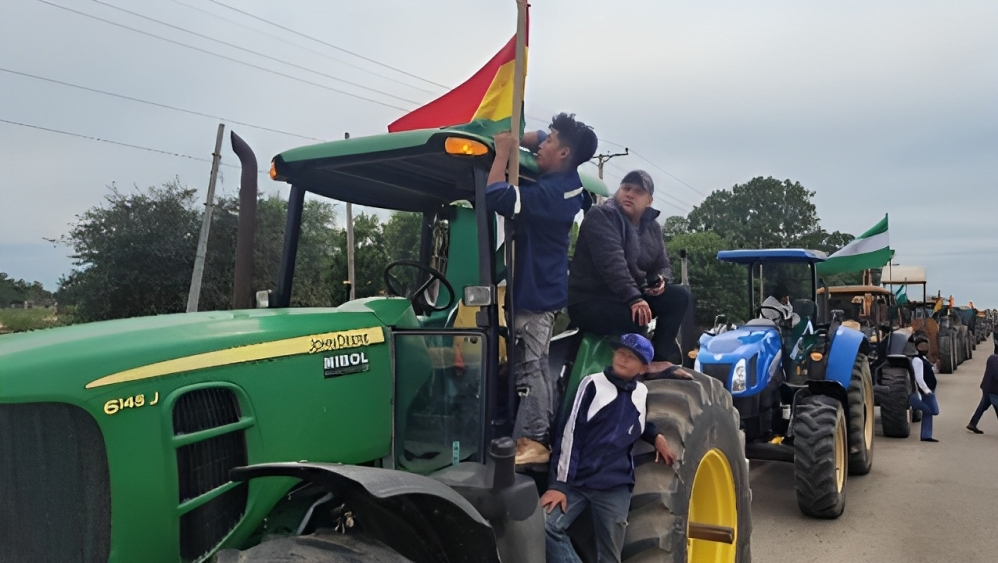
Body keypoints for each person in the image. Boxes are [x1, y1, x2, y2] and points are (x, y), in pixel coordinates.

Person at [486, 113, 599, 466]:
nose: (541, 144)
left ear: (564, 154)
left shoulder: (552, 194)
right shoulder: (568, 182)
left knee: (531, 370)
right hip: (530, 291)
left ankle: (534, 439)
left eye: (550, 141)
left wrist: (503, 152)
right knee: (520, 367)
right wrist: (527, 137)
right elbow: (542, 141)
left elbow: (494, 196)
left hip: (538, 294)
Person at [542, 333, 676, 563]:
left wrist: (656, 437)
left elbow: (637, 421)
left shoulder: (641, 392)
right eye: (620, 353)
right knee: (546, 527)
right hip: (577, 483)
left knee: (610, 555)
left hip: (615, 487)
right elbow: (570, 433)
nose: (623, 359)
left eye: (631, 357)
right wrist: (559, 485)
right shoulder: (592, 384)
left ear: (643, 368)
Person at [568, 170, 692, 376]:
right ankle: (630, 364)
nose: (630, 194)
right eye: (625, 188)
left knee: (679, 297)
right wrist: (635, 298)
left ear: (649, 200)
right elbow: (612, 264)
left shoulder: (652, 227)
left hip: (626, 297)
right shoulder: (601, 216)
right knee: (635, 316)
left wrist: (660, 280)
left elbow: (661, 264)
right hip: (591, 300)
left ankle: (659, 359)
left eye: (638, 191)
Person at [908, 334, 940, 442]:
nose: (925, 348)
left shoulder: (924, 359)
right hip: (925, 391)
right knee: (933, 411)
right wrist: (926, 390)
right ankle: (912, 402)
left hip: (929, 389)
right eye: (922, 346)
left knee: (929, 413)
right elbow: (918, 378)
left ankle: (926, 435)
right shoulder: (917, 360)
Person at [966, 354, 998, 434]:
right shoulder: (995, 360)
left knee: (982, 406)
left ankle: (973, 423)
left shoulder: (991, 358)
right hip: (994, 389)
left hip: (987, 387)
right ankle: (972, 423)